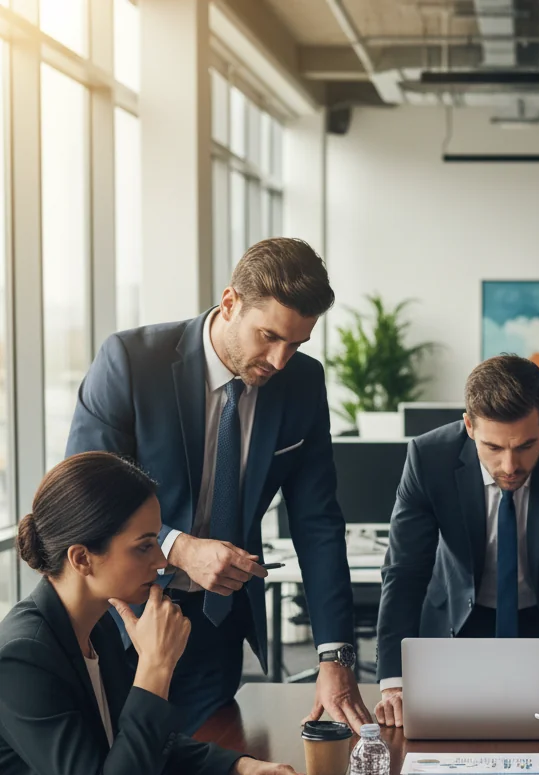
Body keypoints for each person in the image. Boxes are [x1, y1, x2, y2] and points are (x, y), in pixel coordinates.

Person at [66, 238, 371, 734]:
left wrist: (334, 654)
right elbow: (81, 496)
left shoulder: (302, 384)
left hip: (214, 622)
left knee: (212, 774)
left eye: (296, 344)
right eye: (268, 336)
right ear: (230, 304)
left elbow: (317, 521)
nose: (278, 359)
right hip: (119, 615)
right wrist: (177, 546)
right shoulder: (130, 362)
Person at [0, 453, 324, 775]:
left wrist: (240, 768)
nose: (162, 563)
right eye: (144, 547)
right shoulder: (23, 656)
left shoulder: (97, 627)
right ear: (81, 558)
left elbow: (139, 744)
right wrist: (155, 668)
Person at [374, 355, 539, 727]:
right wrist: (394, 682)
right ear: (469, 426)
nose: (510, 466)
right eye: (493, 448)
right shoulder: (429, 457)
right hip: (457, 623)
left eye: (526, 445)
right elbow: (404, 570)